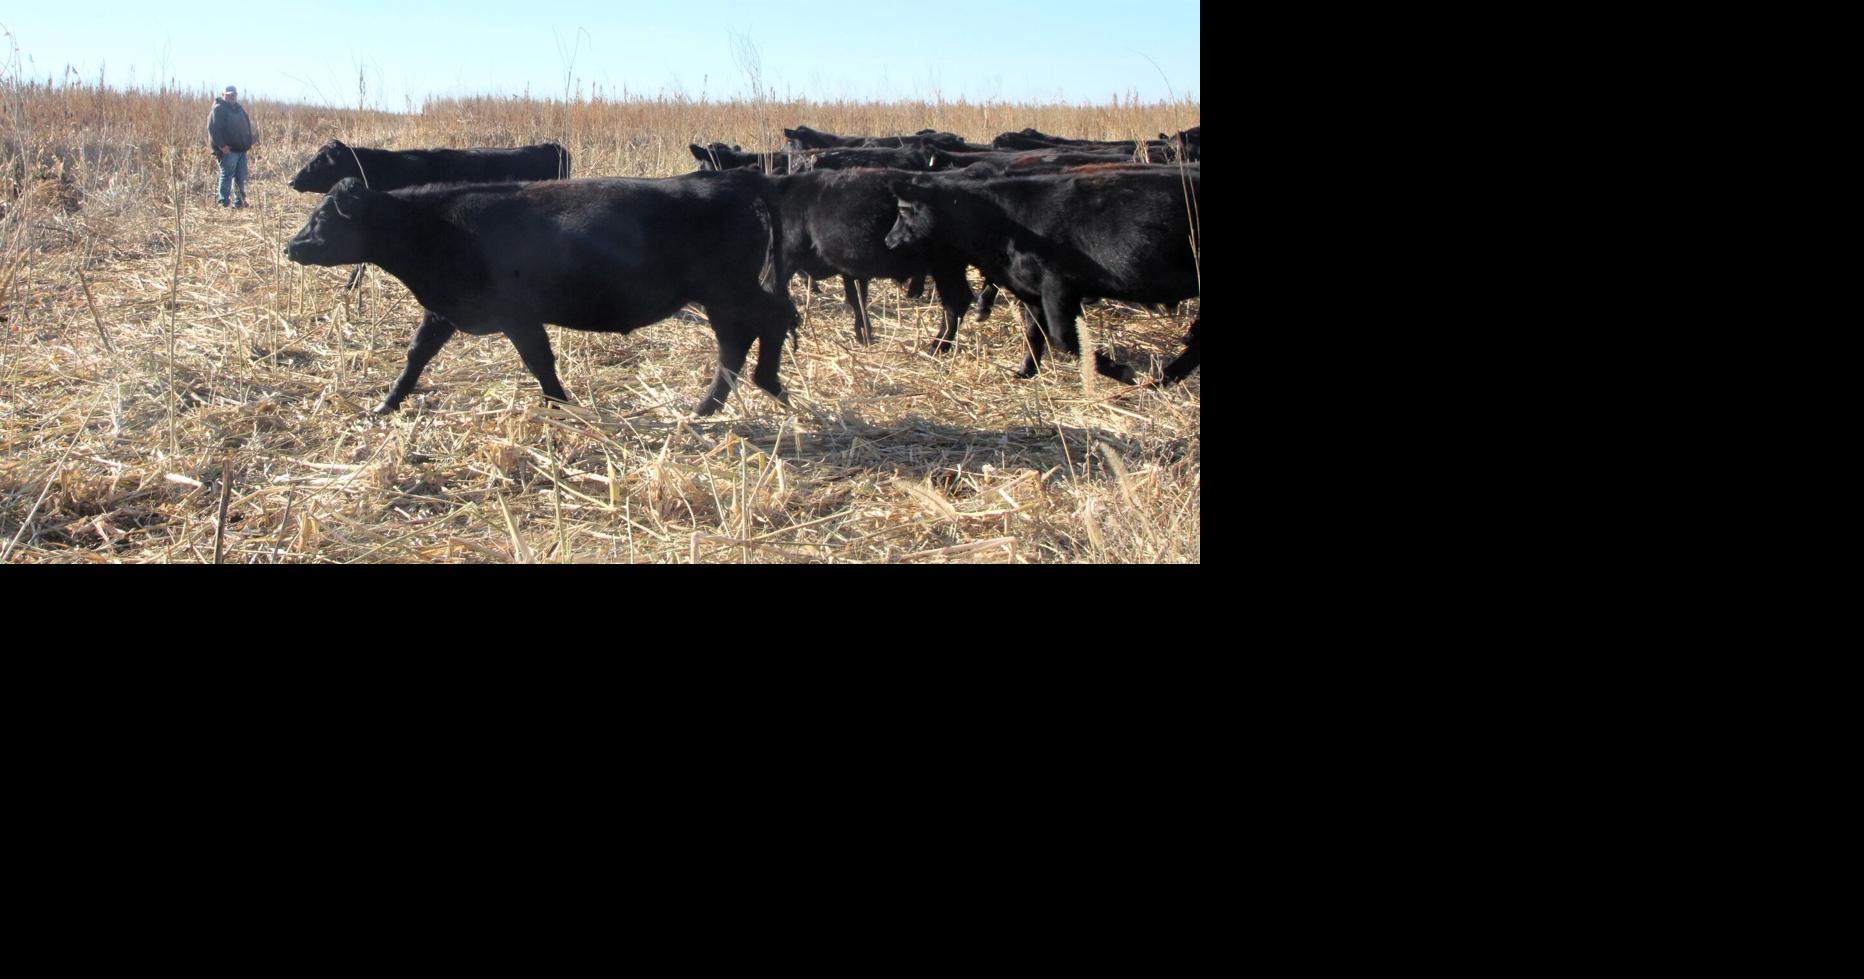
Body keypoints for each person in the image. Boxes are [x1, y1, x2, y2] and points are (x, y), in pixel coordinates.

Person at [207, 85, 256, 208]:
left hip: (241, 150)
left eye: (233, 94)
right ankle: (223, 202)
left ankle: (240, 202)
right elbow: (213, 129)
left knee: (240, 177)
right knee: (227, 176)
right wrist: (222, 146)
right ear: (223, 95)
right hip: (228, 151)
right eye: (228, 95)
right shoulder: (218, 109)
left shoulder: (238, 109)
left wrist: (247, 143)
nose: (231, 97)